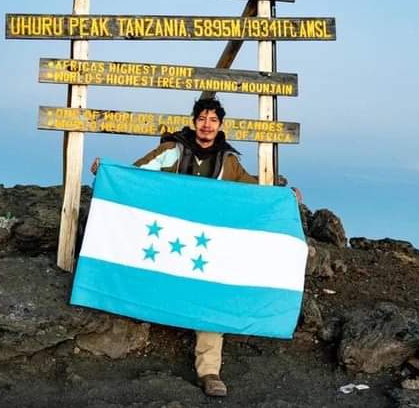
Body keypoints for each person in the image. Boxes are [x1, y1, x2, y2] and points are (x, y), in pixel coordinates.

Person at [91, 98, 291, 397]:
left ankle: (210, 371)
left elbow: (252, 189)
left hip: (205, 247)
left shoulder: (229, 162)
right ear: (194, 121)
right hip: (167, 239)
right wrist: (106, 172)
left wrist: (282, 191)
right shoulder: (172, 150)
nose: (207, 125)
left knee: (210, 297)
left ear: (220, 125)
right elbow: (137, 175)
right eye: (202, 118)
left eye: (213, 119)